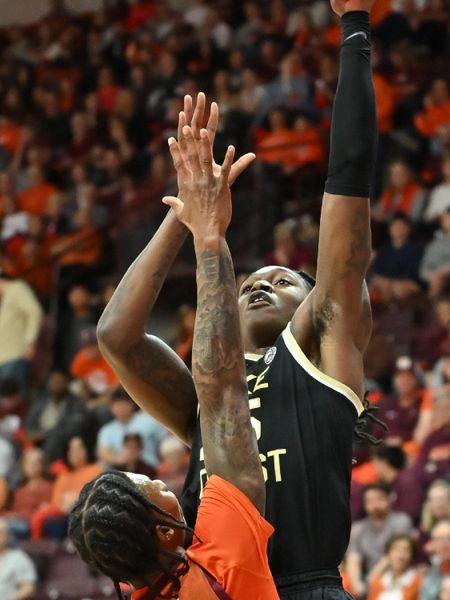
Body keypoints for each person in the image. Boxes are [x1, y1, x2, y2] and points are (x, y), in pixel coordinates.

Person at [97, 4, 381, 595]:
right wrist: (185, 213)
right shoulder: (203, 397)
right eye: (251, 281)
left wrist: (355, 26)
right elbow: (116, 337)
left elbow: (349, 184)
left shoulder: (323, 353)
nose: (258, 285)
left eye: (282, 281)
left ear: (314, 302)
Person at [68, 96, 278, 599]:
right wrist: (205, 233)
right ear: (163, 531)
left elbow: (115, 338)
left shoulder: (319, 370)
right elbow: (221, 389)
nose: (260, 287)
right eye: (151, 485)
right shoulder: (217, 554)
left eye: (282, 282)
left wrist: (187, 213)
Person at [346, 483, 414, 596]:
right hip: (367, 578)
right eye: (369, 500)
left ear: (389, 499)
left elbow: (394, 554)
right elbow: (353, 558)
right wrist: (356, 583)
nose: (374, 504)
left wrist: (372, 580)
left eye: (379, 498)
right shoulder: (358, 528)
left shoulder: (401, 521)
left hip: (396, 574)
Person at [96, 388, 167, 469]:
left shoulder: (148, 421)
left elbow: (165, 439)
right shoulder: (107, 430)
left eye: (124, 404)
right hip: (122, 471)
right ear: (111, 407)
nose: (121, 408)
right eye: (117, 405)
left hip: (150, 467)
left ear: (132, 403)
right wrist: (120, 459)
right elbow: (104, 453)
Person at [365, 534, 422, 600]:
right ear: (388, 554)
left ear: (412, 555)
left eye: (406, 550)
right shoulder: (378, 582)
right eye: (396, 549)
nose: (401, 554)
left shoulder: (418, 582)